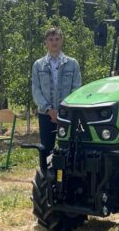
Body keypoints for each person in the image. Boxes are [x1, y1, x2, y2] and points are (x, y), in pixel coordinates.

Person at [31, 27, 82, 161]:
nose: (54, 42)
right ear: (46, 42)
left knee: (67, 149)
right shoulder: (38, 65)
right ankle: (47, 177)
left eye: (57, 39)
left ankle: (66, 179)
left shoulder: (72, 64)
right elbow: (36, 90)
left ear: (62, 41)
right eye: (51, 39)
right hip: (46, 114)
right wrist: (49, 110)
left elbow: (76, 89)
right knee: (46, 149)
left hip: (67, 115)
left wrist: (63, 110)